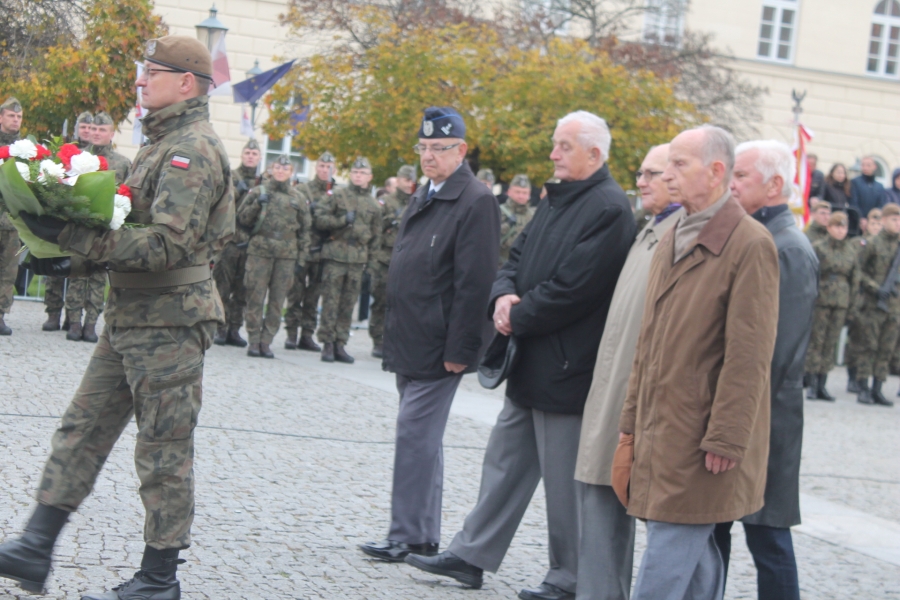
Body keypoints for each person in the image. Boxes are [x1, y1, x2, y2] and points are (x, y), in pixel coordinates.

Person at [0, 35, 233, 599]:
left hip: (171, 321)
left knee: (163, 449)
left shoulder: (192, 149)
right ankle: (35, 546)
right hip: (132, 314)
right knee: (82, 429)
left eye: (152, 71)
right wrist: (68, 258)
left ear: (185, 83)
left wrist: (74, 237)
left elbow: (166, 246)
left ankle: (158, 580)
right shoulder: (160, 142)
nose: (141, 80)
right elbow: (128, 227)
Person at [406, 110, 634, 600]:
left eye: (564, 146)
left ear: (595, 154)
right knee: (504, 464)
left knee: (564, 483)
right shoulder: (558, 198)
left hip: (568, 365)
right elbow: (515, 257)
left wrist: (517, 314)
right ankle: (470, 554)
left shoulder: (611, 209)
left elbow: (577, 288)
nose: (553, 154)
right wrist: (503, 297)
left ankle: (568, 577)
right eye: (555, 143)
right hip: (529, 358)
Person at [618, 125, 779, 600]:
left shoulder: (751, 244)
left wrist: (727, 436)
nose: (666, 175)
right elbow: (648, 342)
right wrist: (631, 420)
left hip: (700, 432)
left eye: (679, 164)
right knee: (691, 545)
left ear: (715, 172)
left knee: (671, 546)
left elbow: (750, 355)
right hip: (661, 424)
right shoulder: (672, 234)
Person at [359, 107, 499, 565]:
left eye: (439, 148)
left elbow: (475, 283)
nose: (429, 156)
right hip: (411, 335)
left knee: (414, 435)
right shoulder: (426, 192)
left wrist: (462, 349)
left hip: (440, 345)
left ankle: (404, 535)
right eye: (423, 148)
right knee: (423, 439)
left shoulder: (475, 200)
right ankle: (420, 535)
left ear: (461, 150)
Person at [574, 143, 682, 600]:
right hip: (613, 383)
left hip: (638, 396)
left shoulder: (678, 235)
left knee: (639, 508)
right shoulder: (650, 229)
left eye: (652, 174)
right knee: (598, 492)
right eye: (640, 172)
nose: (641, 182)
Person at [715, 140, 818, 600]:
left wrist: (734, 417)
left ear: (775, 185)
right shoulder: (755, 237)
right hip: (742, 413)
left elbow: (777, 353)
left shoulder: (787, 248)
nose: (730, 185)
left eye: (740, 176)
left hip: (766, 419)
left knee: (767, 535)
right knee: (713, 526)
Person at [239, 155, 311, 359]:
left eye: (285, 168)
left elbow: (305, 230)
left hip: (286, 254)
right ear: (271, 169)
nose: (280, 171)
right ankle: (254, 339)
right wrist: (256, 205)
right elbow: (242, 219)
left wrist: (301, 259)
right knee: (255, 297)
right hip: (260, 251)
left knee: (277, 301)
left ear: (291, 172)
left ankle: (266, 341)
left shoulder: (298, 197)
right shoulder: (258, 192)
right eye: (277, 167)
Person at [313, 156, 381, 363]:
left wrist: (371, 266)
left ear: (370, 177)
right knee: (330, 301)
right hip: (336, 256)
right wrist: (341, 220)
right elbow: (320, 218)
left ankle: (340, 343)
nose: (358, 176)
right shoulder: (338, 195)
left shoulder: (374, 205)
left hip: (357, 260)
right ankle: (327, 342)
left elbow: (376, 239)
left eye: (363, 173)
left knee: (348, 304)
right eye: (355, 172)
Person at [283, 151, 336, 352]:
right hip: (303, 250)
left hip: (323, 252)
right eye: (322, 166)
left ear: (334, 170)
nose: (324, 170)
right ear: (316, 167)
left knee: (314, 297)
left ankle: (307, 334)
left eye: (328, 167)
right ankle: (291, 334)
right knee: (295, 294)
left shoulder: (336, 194)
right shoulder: (303, 190)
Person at [213, 138, 261, 348]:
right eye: (247, 153)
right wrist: (238, 191)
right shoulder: (232, 176)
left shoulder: (262, 181)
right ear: (242, 156)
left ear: (259, 157)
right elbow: (221, 202)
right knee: (223, 286)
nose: (250, 157)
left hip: (250, 244)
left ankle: (234, 328)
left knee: (243, 290)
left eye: (254, 154)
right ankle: (220, 328)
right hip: (230, 241)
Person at [805, 212, 858, 400]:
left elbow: (855, 279)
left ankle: (822, 384)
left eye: (843, 227)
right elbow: (809, 274)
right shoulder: (819, 247)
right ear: (829, 227)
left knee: (830, 343)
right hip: (821, 300)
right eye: (837, 226)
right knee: (816, 342)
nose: (840, 230)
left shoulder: (851, 250)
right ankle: (811, 384)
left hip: (841, 302)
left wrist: (852, 307)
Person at [853, 202, 900, 407]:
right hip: (873, 305)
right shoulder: (872, 243)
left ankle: (877, 388)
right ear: (884, 220)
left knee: (886, 348)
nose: (898, 223)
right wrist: (875, 287)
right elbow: (858, 270)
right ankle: (863, 387)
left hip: (895, 306)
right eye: (894, 219)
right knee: (869, 346)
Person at [369, 164, 415, 358]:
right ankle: (378, 340)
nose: (410, 184)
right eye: (406, 180)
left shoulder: (418, 201)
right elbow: (376, 229)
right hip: (385, 260)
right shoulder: (386, 201)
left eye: (412, 180)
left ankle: (397, 341)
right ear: (398, 180)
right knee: (382, 300)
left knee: (404, 304)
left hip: (408, 261)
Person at [0, 96, 24, 336]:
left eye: (18, 116)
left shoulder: (26, 149)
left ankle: (0, 313)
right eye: (11, 115)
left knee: (8, 271)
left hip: (13, 221)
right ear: (1, 118)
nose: (15, 120)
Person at [498, 174, 536, 267]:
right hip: (500, 265)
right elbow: (488, 237)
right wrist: (507, 226)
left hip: (523, 265)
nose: (521, 196)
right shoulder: (498, 211)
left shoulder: (534, 215)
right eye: (517, 192)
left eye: (524, 193)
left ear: (529, 194)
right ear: (509, 192)